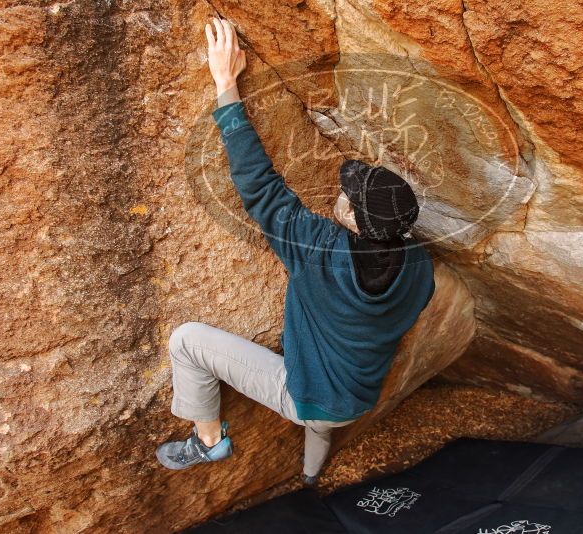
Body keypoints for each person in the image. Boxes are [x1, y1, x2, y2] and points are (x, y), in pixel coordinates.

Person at [155, 17, 436, 485]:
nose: (340, 193)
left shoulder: (320, 251)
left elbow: (259, 187)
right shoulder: (420, 263)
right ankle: (309, 478)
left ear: (351, 221)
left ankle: (208, 443)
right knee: (324, 426)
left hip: (310, 397)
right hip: (361, 395)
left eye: (348, 197)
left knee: (186, 341)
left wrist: (226, 84)